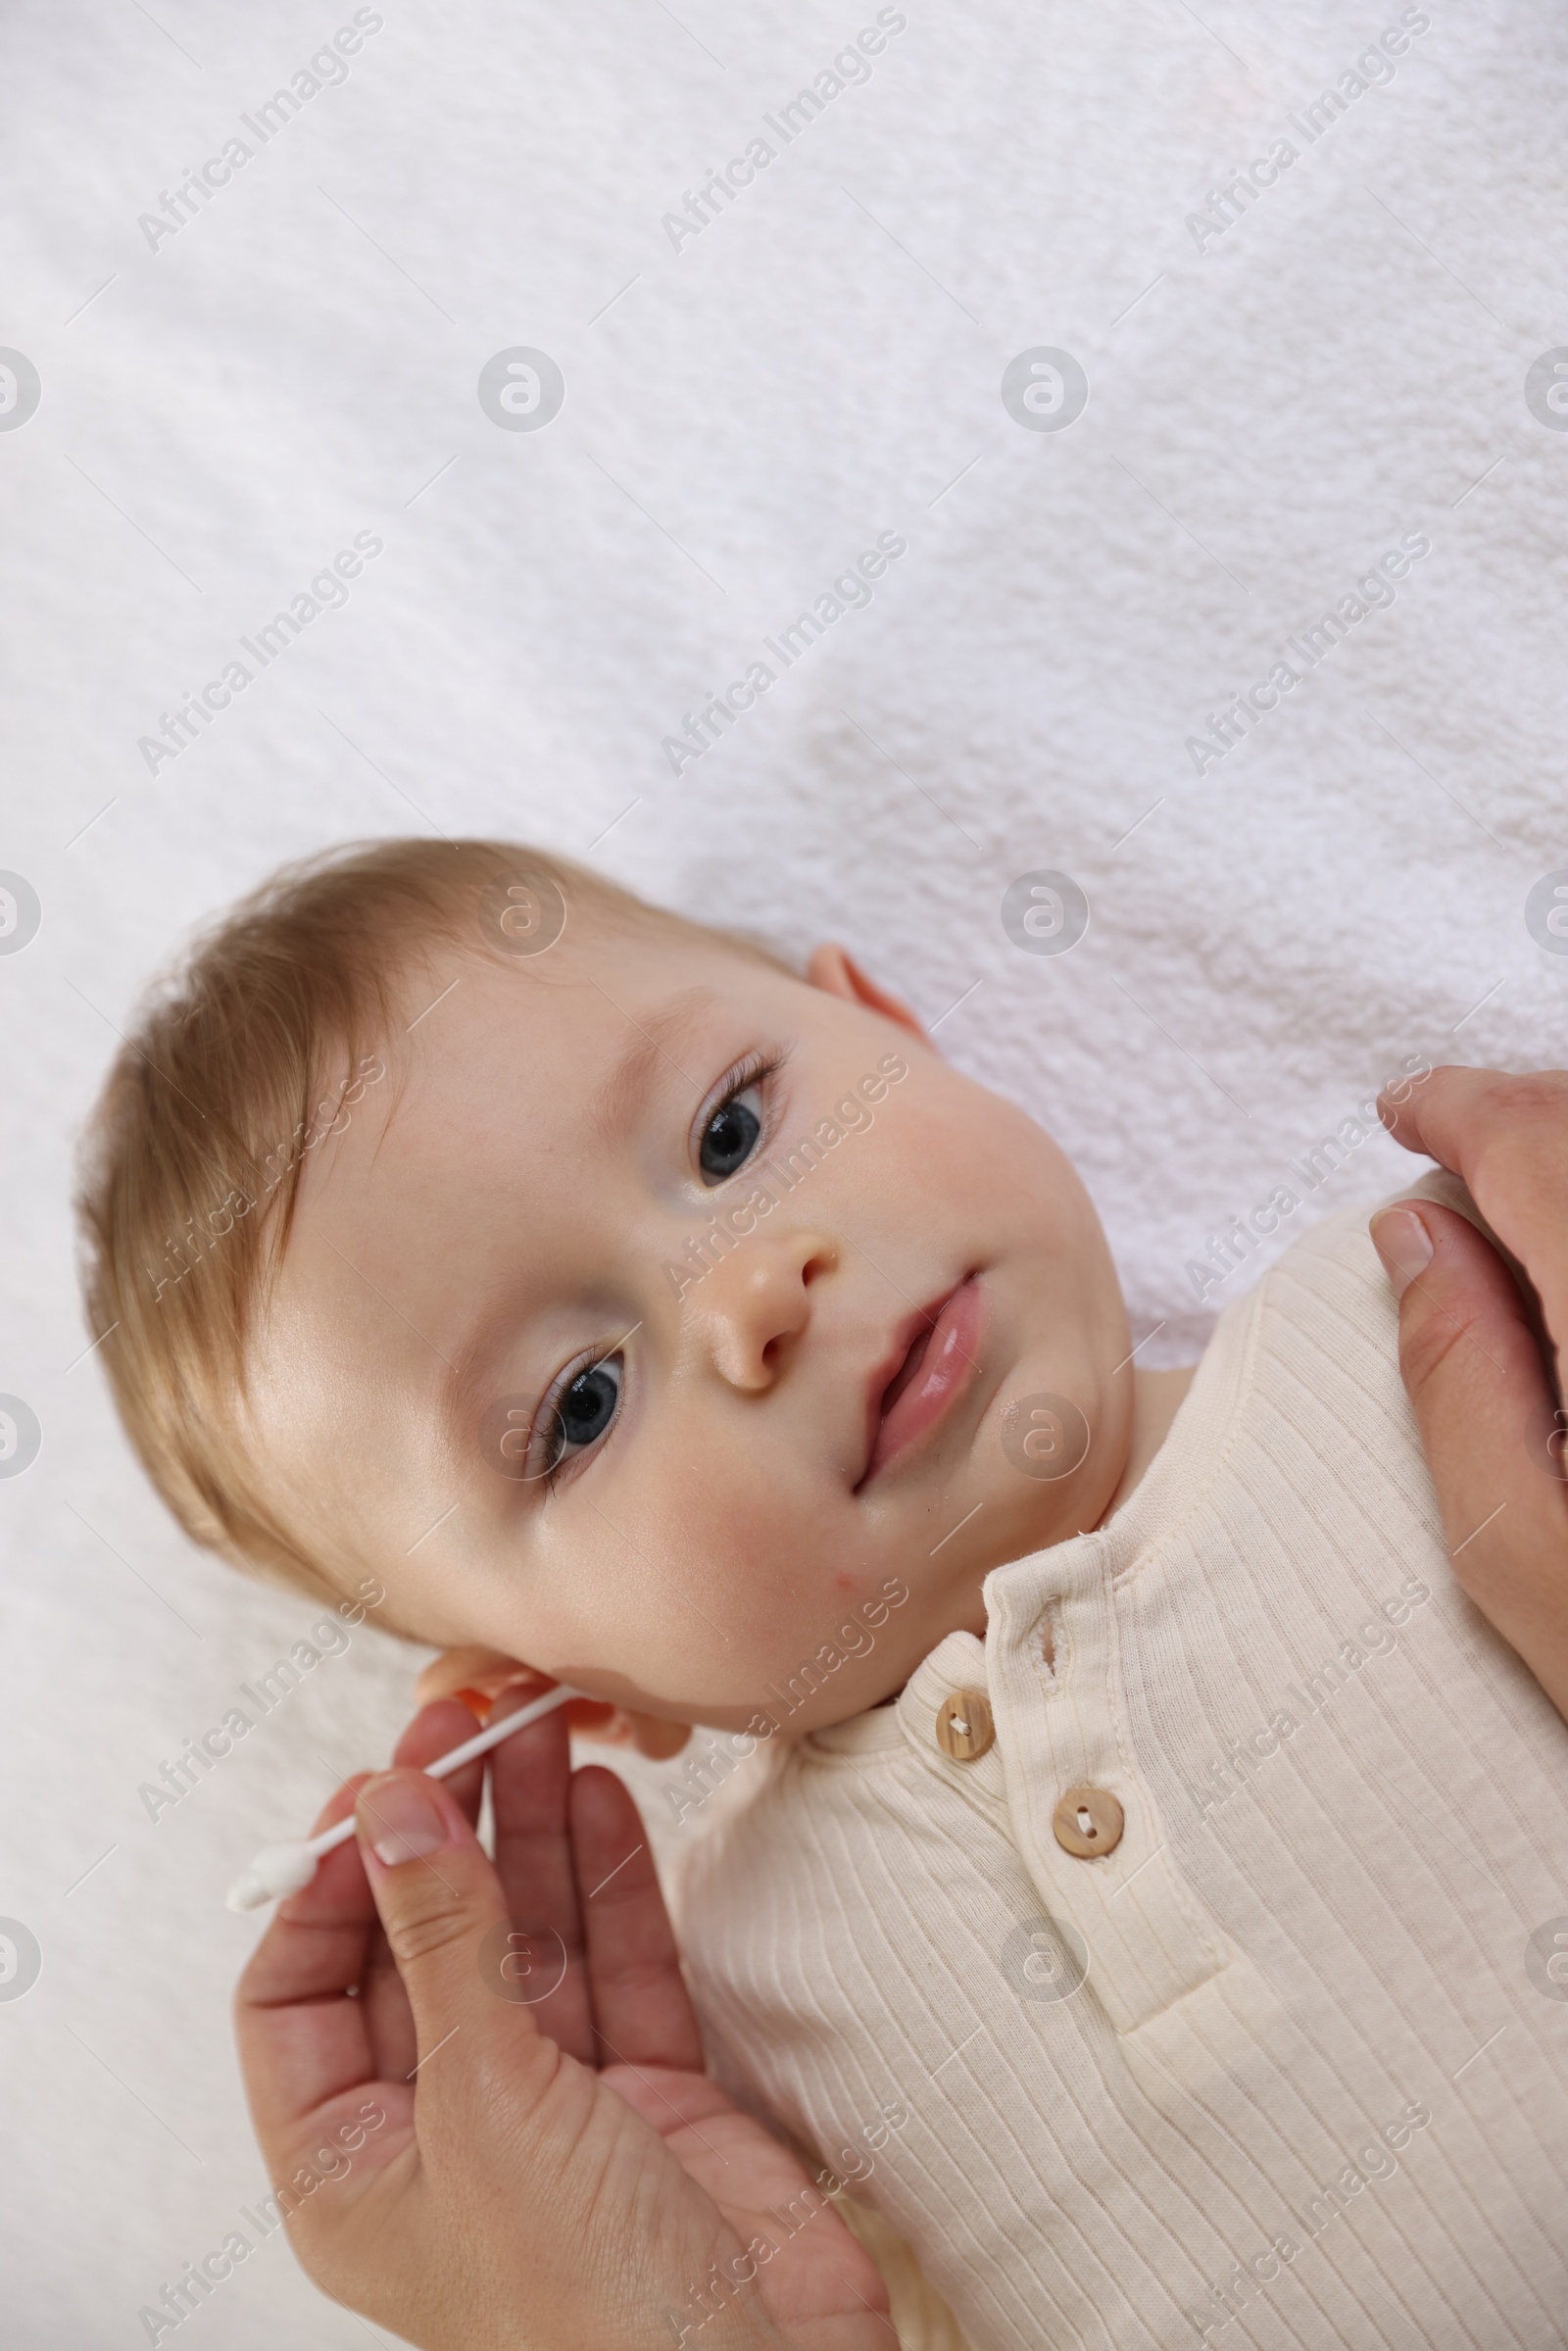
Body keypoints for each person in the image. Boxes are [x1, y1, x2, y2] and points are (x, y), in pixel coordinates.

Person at [76, 843, 1568, 2350]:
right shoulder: (718, 2052)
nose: (752, 1291)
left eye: (732, 1130)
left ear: (891, 1026)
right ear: (565, 1689)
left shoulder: (1435, 1304)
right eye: (581, 1406)